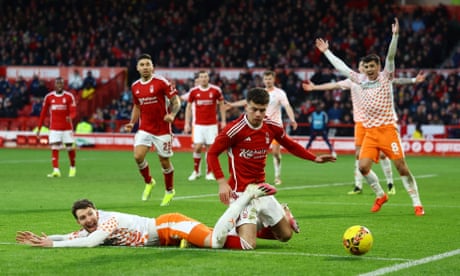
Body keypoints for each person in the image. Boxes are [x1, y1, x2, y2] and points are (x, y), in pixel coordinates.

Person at [315, 18, 424, 216]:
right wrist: (326, 52)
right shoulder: (359, 79)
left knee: (401, 167)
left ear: (378, 65)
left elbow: (391, 56)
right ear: (363, 68)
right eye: (367, 66)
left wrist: (395, 36)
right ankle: (381, 195)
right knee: (363, 167)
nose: (370, 69)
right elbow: (341, 67)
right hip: (371, 132)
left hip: (388, 129)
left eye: (373, 66)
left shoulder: (386, 76)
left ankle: (417, 203)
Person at [207, 88, 336, 249]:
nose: (258, 114)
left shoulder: (271, 126)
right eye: (254, 109)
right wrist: (221, 182)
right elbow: (211, 153)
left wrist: (314, 158)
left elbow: (290, 144)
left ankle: (255, 225)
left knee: (285, 235)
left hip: (262, 190)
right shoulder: (234, 129)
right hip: (241, 193)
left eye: (262, 110)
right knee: (247, 244)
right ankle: (209, 237)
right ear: (246, 106)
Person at [16, 184, 276, 249]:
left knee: (217, 243)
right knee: (232, 240)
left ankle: (246, 198)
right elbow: (71, 236)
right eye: (82, 218)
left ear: (96, 210)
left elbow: (90, 242)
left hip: (169, 225)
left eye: (89, 214)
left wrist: (53, 245)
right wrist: (44, 239)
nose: (88, 220)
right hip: (168, 233)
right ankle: (268, 224)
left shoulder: (107, 221)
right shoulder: (88, 228)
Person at [303, 63, 426, 195]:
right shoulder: (353, 81)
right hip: (361, 123)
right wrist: (315, 87)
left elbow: (394, 81)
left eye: (365, 66)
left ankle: (390, 183)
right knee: (358, 156)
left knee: (384, 154)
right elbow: (333, 85)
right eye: (362, 66)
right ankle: (358, 186)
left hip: (377, 122)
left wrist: (413, 80)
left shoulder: (376, 80)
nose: (363, 68)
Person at [124, 53, 181, 206]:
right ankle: (149, 181)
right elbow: (137, 106)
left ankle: (169, 191)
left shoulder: (161, 82)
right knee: (138, 156)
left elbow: (176, 101)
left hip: (162, 129)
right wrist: (132, 122)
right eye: (142, 65)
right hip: (145, 128)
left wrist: (172, 114)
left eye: (148, 64)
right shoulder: (135, 86)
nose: (145, 67)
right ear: (137, 68)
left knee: (164, 161)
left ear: (152, 67)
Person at [226, 71, 298, 185]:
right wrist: (233, 104)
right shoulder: (260, 92)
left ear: (274, 79)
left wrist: (292, 119)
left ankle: (277, 176)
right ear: (263, 80)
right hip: (260, 127)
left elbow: (287, 106)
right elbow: (247, 101)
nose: (268, 81)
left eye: (270, 79)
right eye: (266, 79)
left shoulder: (280, 93)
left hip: (274, 128)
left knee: (275, 153)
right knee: (255, 152)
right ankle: (253, 177)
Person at [184, 70, 226, 181]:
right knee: (197, 147)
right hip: (198, 125)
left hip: (212, 125)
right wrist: (187, 123)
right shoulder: (193, 91)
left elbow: (222, 106)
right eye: (201, 77)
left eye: (205, 76)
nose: (203, 79)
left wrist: (223, 120)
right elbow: (188, 108)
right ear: (199, 79)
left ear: (208, 78)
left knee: (210, 149)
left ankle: (209, 173)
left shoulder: (216, 90)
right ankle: (196, 171)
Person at [37, 77, 77, 178]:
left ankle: (72, 167)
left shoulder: (69, 96)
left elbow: (73, 111)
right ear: (54, 85)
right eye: (57, 83)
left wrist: (70, 117)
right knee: (54, 147)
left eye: (61, 84)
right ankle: (56, 170)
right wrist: (39, 128)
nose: (59, 85)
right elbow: (43, 113)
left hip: (67, 128)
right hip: (54, 127)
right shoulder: (49, 97)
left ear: (63, 85)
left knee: (69, 147)